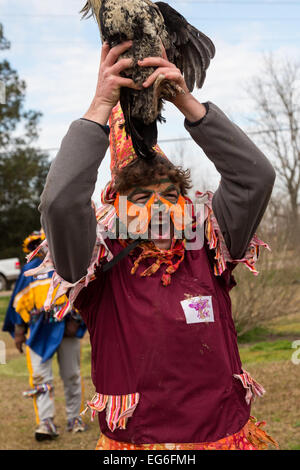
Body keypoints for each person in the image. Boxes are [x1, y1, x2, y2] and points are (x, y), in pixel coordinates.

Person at [32, 41, 279, 450]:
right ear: (115, 209)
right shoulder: (96, 263)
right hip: (139, 446)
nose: (158, 207)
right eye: (141, 198)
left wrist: (181, 97)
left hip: (222, 433)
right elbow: (59, 203)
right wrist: (99, 104)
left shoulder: (212, 246)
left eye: (169, 194)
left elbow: (254, 178)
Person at [3, 230, 87, 441]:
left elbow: (82, 297)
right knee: (41, 379)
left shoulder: (68, 267)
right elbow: (18, 305)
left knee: (72, 375)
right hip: (38, 333)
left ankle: (75, 417)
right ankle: (46, 422)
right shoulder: (28, 271)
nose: (40, 249)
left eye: (45, 243)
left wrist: (76, 320)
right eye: (36, 246)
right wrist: (19, 334)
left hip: (66, 330)